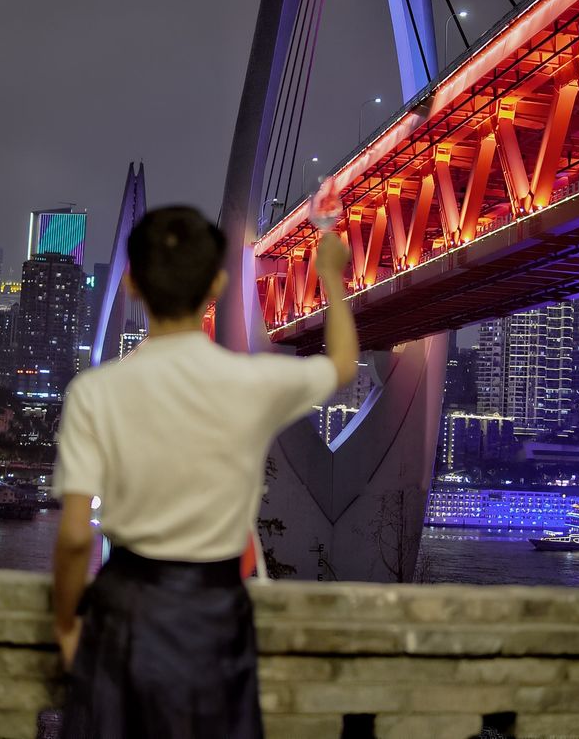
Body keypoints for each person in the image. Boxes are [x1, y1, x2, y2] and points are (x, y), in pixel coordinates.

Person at [52, 205, 358, 738]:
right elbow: (342, 367)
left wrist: (65, 627)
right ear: (217, 282)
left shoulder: (94, 392)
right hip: (216, 616)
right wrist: (330, 273)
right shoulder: (250, 382)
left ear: (130, 284)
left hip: (124, 611)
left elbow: (77, 536)